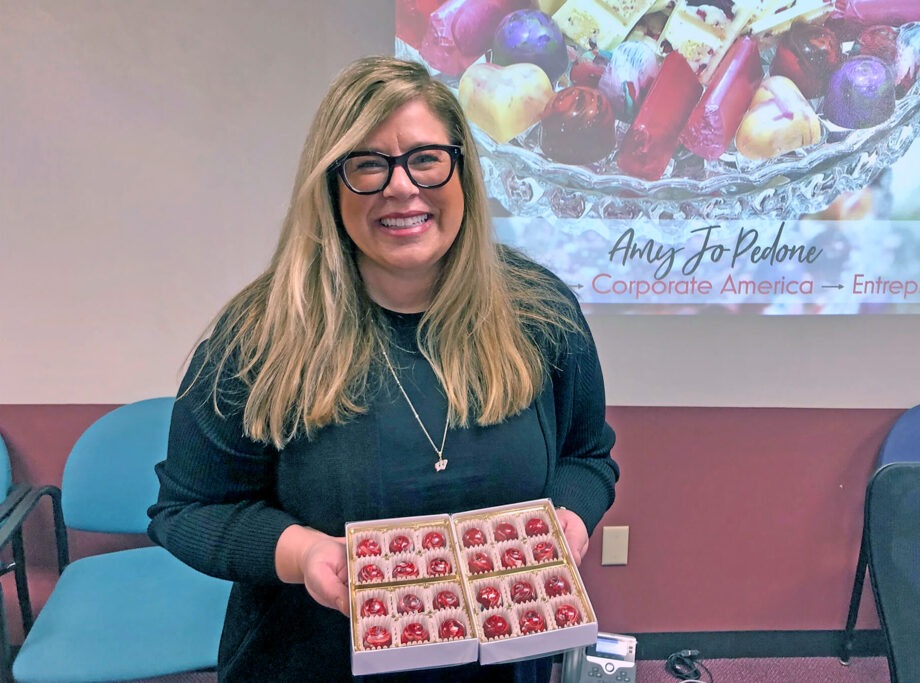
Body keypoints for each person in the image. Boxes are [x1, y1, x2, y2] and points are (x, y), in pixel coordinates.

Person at [147, 55, 618, 683]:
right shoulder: (259, 336)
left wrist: (569, 518)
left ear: (464, 174)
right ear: (331, 185)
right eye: (368, 164)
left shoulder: (540, 312)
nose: (402, 186)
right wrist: (301, 553)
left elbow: (588, 457)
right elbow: (187, 511)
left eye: (425, 158)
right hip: (308, 664)